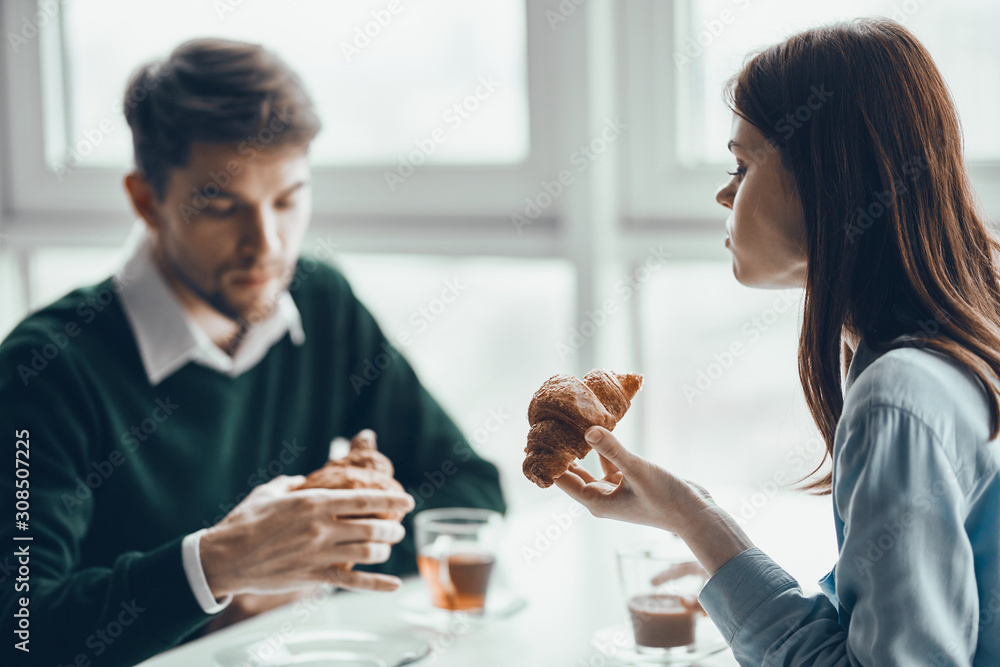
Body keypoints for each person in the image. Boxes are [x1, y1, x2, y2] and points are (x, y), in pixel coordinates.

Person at [0, 38, 505, 666]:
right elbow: (18, 633)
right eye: (220, 204)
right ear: (145, 200)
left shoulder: (323, 304)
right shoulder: (43, 371)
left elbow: (469, 491)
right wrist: (218, 568)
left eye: (288, 200)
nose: (266, 245)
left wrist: (311, 561)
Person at [555, 18, 1000, 666]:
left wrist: (701, 527)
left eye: (742, 163)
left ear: (828, 179)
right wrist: (693, 515)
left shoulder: (895, 397)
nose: (722, 192)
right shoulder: (959, 348)